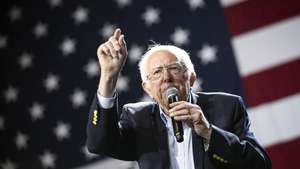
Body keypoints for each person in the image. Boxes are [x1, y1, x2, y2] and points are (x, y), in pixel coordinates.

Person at [86, 28, 272, 169]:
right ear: (147, 88)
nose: (166, 77)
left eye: (174, 69)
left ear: (191, 78)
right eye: (157, 73)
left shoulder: (227, 107)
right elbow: (98, 144)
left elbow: (260, 164)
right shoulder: (137, 119)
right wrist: (108, 77)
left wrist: (208, 132)